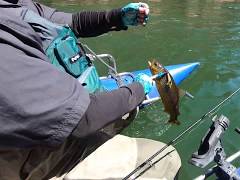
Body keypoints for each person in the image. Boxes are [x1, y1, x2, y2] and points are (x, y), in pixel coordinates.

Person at [0, 0, 181, 179]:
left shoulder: (15, 4)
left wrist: (117, 18)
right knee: (165, 159)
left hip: (67, 110)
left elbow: (71, 22)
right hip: (24, 153)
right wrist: (138, 90)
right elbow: (81, 118)